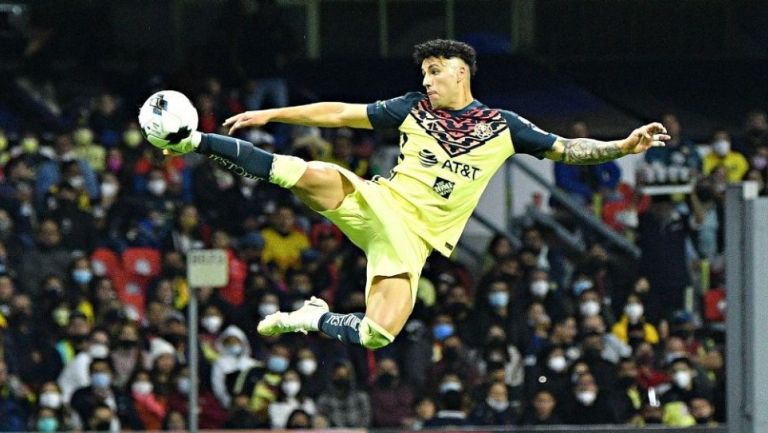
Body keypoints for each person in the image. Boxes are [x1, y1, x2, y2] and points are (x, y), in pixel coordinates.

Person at [149, 39, 669, 350]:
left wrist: (622, 146)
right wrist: (271, 113)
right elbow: (339, 113)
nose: (427, 80)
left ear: (461, 72)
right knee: (308, 175)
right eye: (424, 72)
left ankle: (312, 317)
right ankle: (191, 140)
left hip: (414, 243)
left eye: (435, 71)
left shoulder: (504, 126)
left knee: (379, 334)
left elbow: (568, 149)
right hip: (382, 204)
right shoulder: (412, 109)